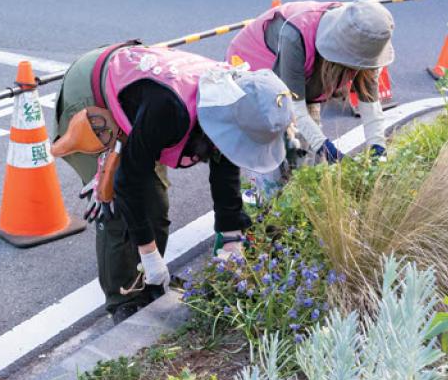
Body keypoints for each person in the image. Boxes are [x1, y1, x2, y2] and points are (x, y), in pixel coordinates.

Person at [51, 44, 291, 322]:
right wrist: (149, 253)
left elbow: (224, 169)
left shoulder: (231, 100)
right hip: (93, 93)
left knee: (156, 205)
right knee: (118, 203)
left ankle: (149, 284)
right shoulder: (170, 109)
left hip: (139, 99)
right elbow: (128, 182)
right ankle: (123, 300)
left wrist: (231, 236)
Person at [225, 0, 396, 166]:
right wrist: (328, 150)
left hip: (304, 77)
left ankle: (296, 178)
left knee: (308, 155)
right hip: (256, 72)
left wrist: (378, 151)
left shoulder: (368, 41)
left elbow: (371, 105)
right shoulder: (296, 36)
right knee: (276, 156)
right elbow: (295, 109)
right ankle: (265, 191)